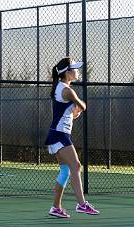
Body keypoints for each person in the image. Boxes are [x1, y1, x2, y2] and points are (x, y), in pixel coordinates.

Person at [45, 57, 99, 218]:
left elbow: (69, 111)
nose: (77, 71)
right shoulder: (67, 90)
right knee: (76, 165)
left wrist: (73, 112)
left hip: (57, 133)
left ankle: (56, 207)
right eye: (74, 69)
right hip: (59, 135)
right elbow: (82, 106)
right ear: (67, 73)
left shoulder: (60, 87)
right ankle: (82, 204)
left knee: (65, 171)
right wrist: (78, 107)